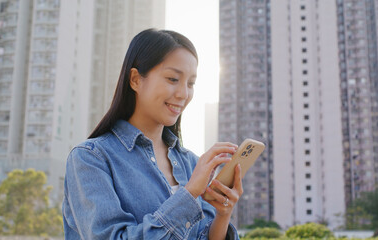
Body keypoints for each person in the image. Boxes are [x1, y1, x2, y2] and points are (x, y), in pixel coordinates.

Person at [62, 29, 243, 239]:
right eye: (173, 79)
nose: (184, 94)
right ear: (135, 80)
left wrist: (223, 214)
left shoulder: (193, 164)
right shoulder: (91, 158)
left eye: (191, 83)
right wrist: (190, 193)